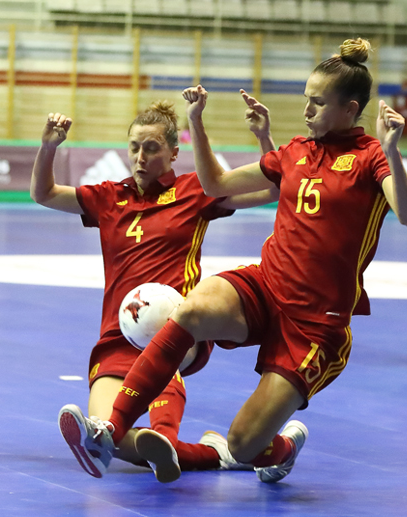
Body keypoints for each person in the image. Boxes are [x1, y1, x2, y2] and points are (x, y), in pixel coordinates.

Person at [58, 38, 407, 485]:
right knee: (188, 310)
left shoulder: (370, 158)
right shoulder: (294, 152)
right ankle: (110, 429)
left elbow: (406, 213)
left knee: (246, 444)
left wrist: (393, 150)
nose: (306, 110)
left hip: (315, 322)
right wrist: (197, 123)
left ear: (349, 109)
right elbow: (215, 184)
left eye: (317, 102)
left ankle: (279, 448)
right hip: (265, 286)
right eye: (306, 99)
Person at [35, 95, 278, 482]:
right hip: (118, 334)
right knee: (105, 432)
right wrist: (48, 146)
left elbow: (274, 190)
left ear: (173, 153)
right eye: (134, 147)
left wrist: (264, 139)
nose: (140, 156)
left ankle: (164, 434)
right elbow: (43, 193)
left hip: (180, 326)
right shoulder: (108, 197)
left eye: (151, 148)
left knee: (159, 354)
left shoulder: (196, 191)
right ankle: (215, 454)